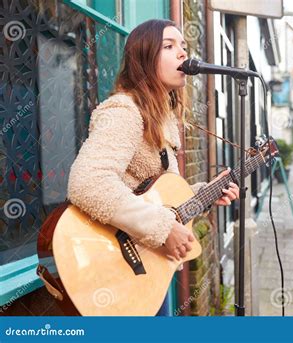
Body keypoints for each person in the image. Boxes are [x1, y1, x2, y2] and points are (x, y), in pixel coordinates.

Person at [67, 19, 239, 290]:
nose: (183, 53)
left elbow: (157, 197)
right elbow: (87, 182)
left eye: (183, 46)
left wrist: (205, 192)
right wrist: (163, 227)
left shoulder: (164, 120)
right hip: (118, 267)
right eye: (169, 46)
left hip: (151, 267)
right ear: (144, 58)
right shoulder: (124, 111)